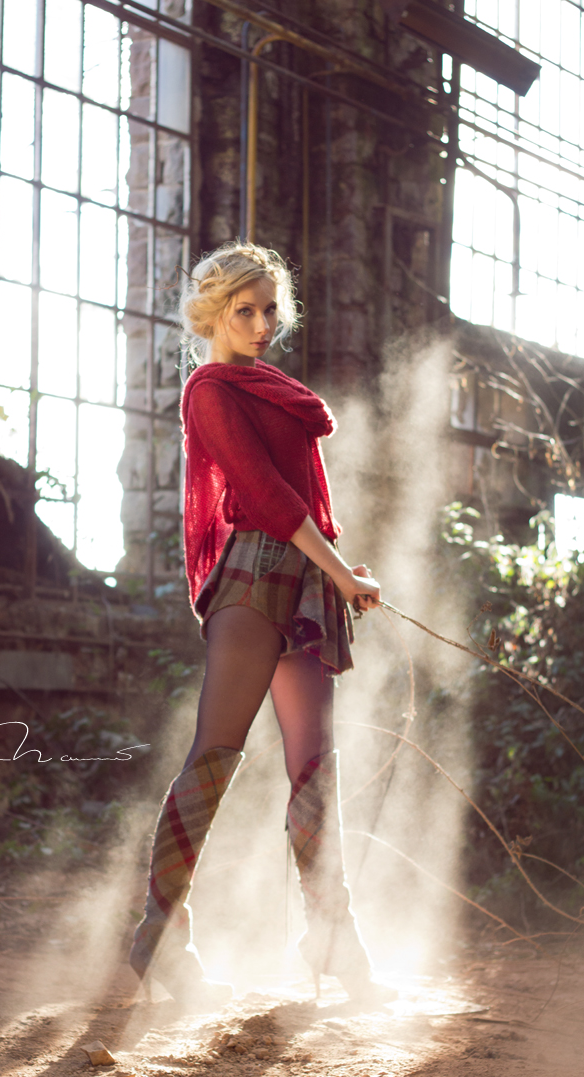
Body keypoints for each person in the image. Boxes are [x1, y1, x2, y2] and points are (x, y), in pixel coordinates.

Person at [129, 241, 386, 1006]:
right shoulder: (210, 390)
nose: (263, 323)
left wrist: (332, 574)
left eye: (271, 309)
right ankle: (160, 940)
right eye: (246, 310)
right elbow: (269, 498)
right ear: (215, 315)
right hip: (252, 581)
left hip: (301, 582)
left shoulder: (274, 388)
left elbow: (296, 499)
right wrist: (342, 575)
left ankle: (332, 936)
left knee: (315, 770)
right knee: (213, 760)